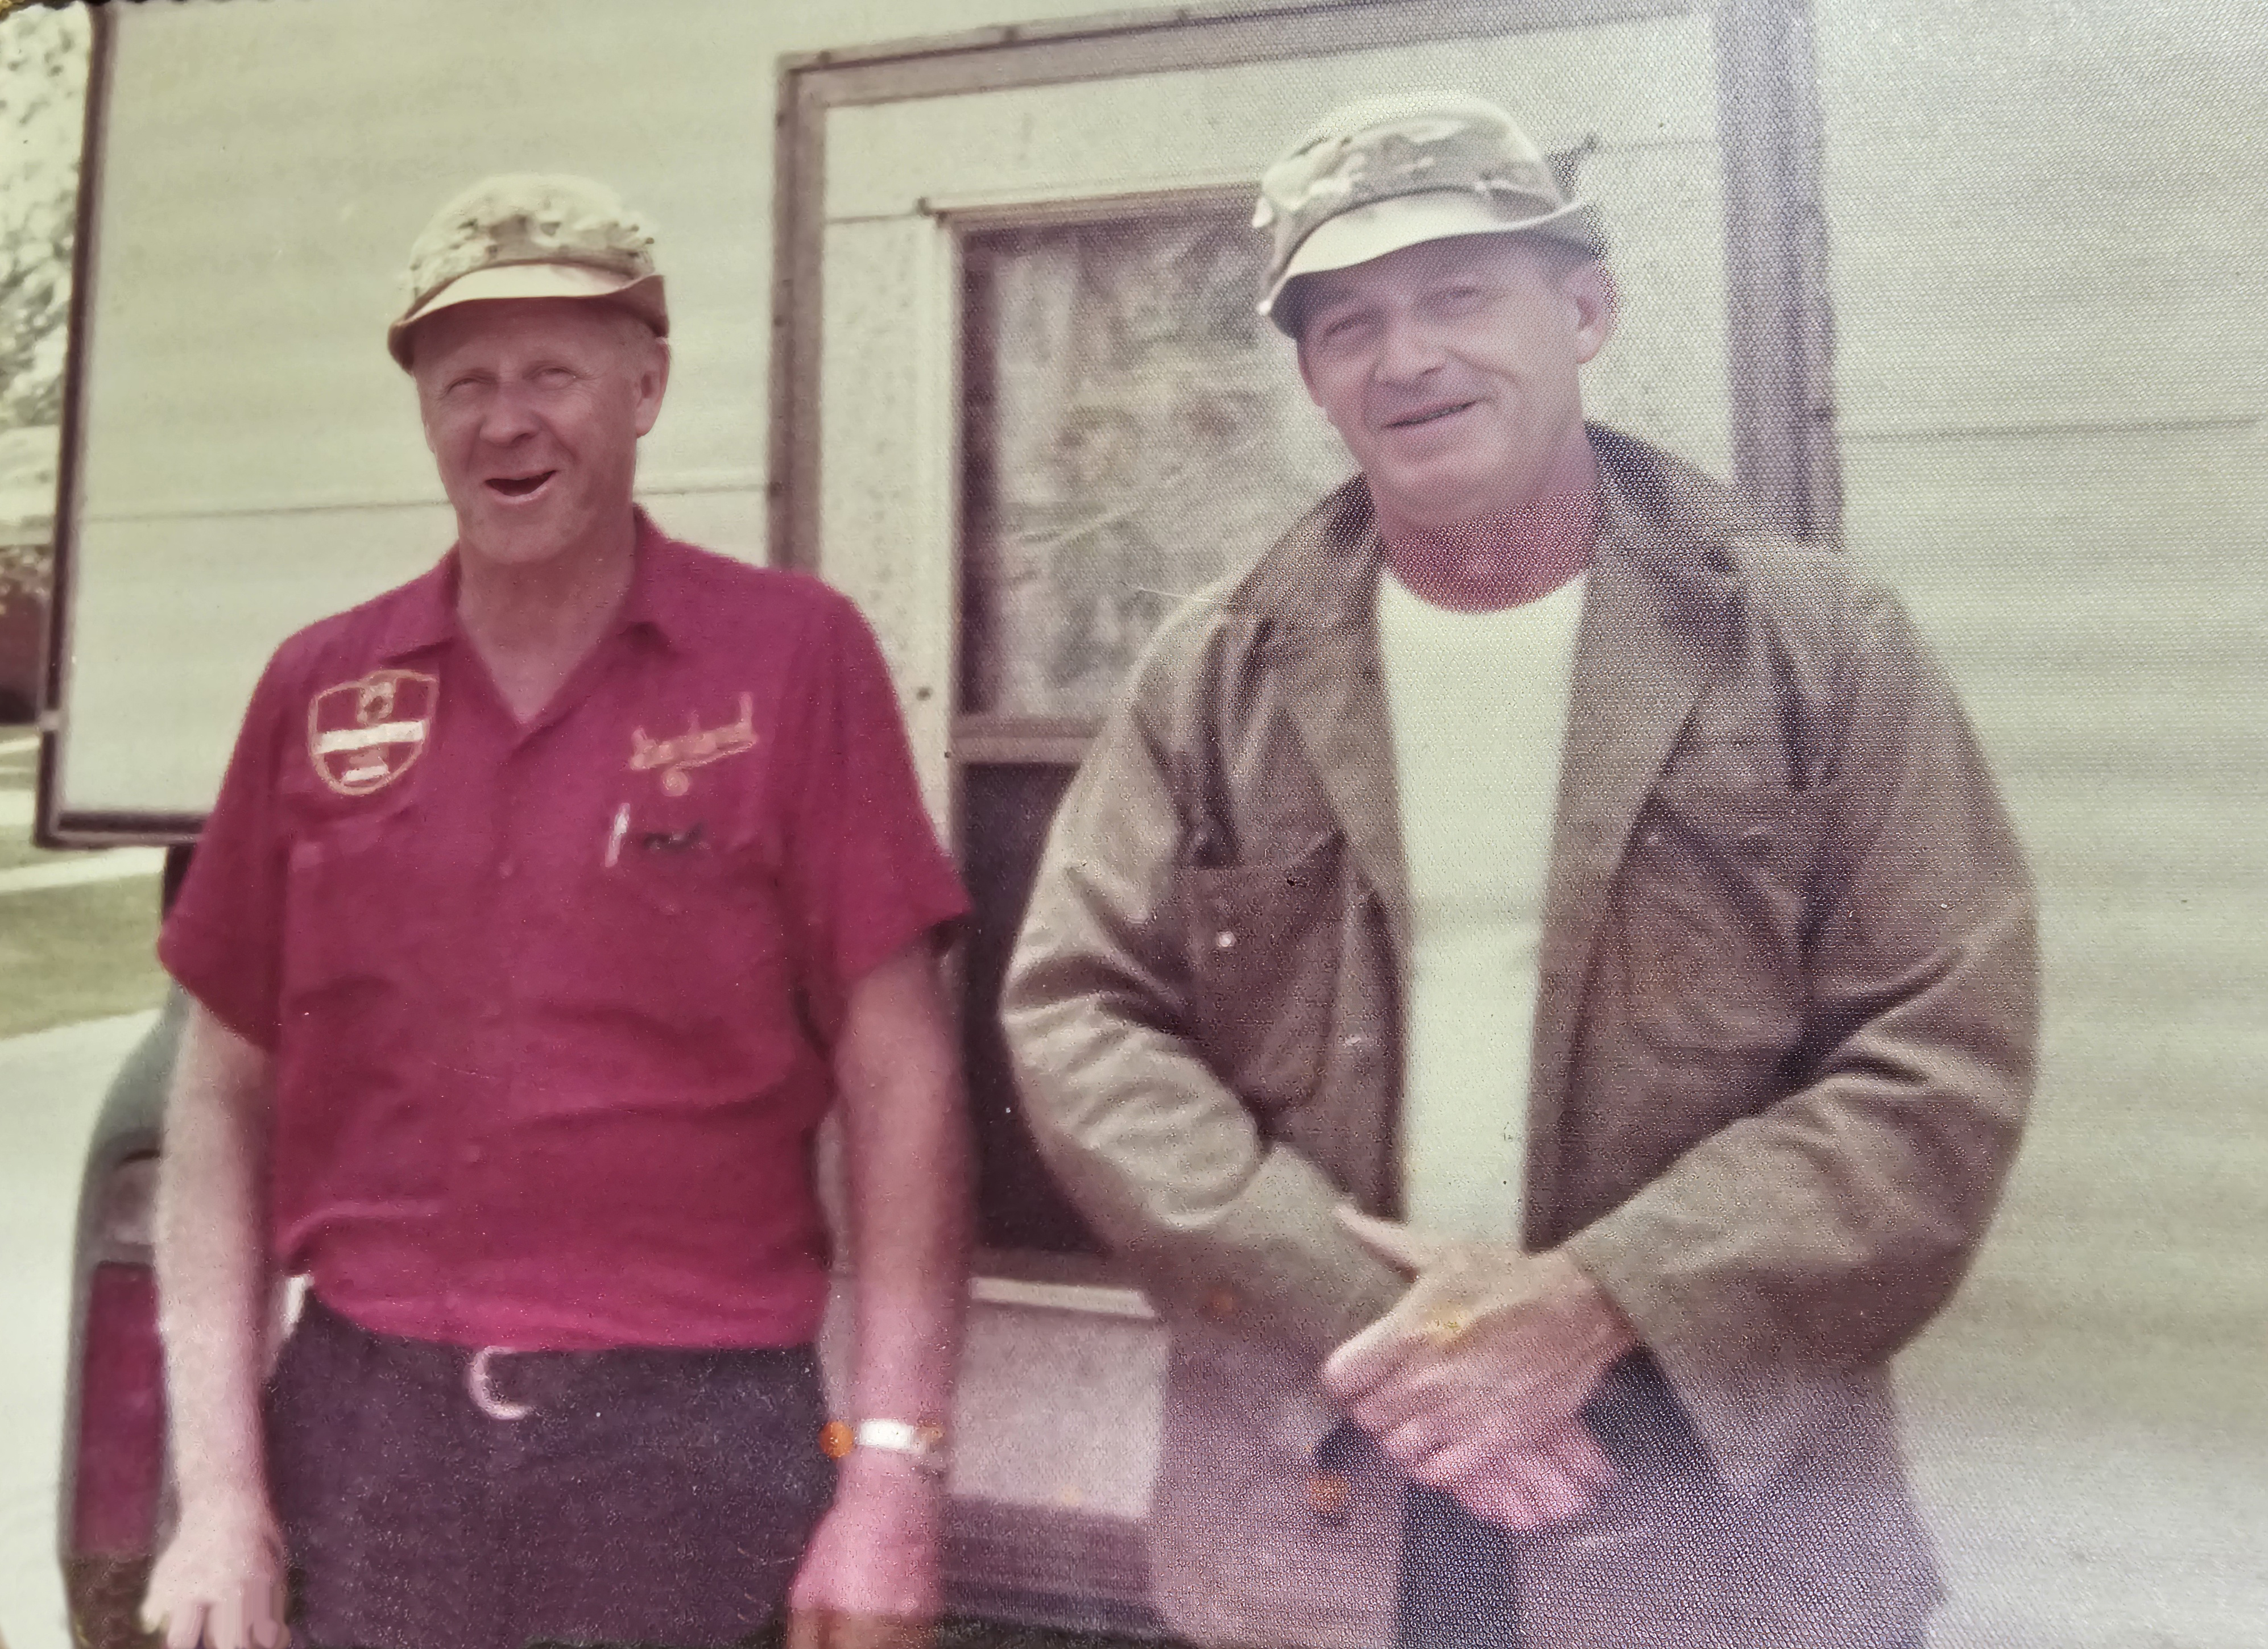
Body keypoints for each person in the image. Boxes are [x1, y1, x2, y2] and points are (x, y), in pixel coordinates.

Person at [1003, 93, 2036, 1649]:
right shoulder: (1213, 673)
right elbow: (1083, 1019)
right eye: (1346, 321)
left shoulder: (1820, 649)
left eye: (1457, 294)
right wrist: (1379, 1328)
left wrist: (1606, 1298)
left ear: (1585, 309)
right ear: (1311, 377)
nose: (1405, 356)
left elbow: (1933, 1060)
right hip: (1317, 1498)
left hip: (1708, 1525)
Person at [141, 175, 972, 1649]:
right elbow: (218, 1098)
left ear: (645, 387)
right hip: (369, 1431)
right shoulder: (322, 687)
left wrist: (894, 1471)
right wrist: (218, 1492)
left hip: (684, 1435)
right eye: (464, 380)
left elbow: (900, 1077)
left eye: (553, 373)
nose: (505, 420)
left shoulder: (791, 659)